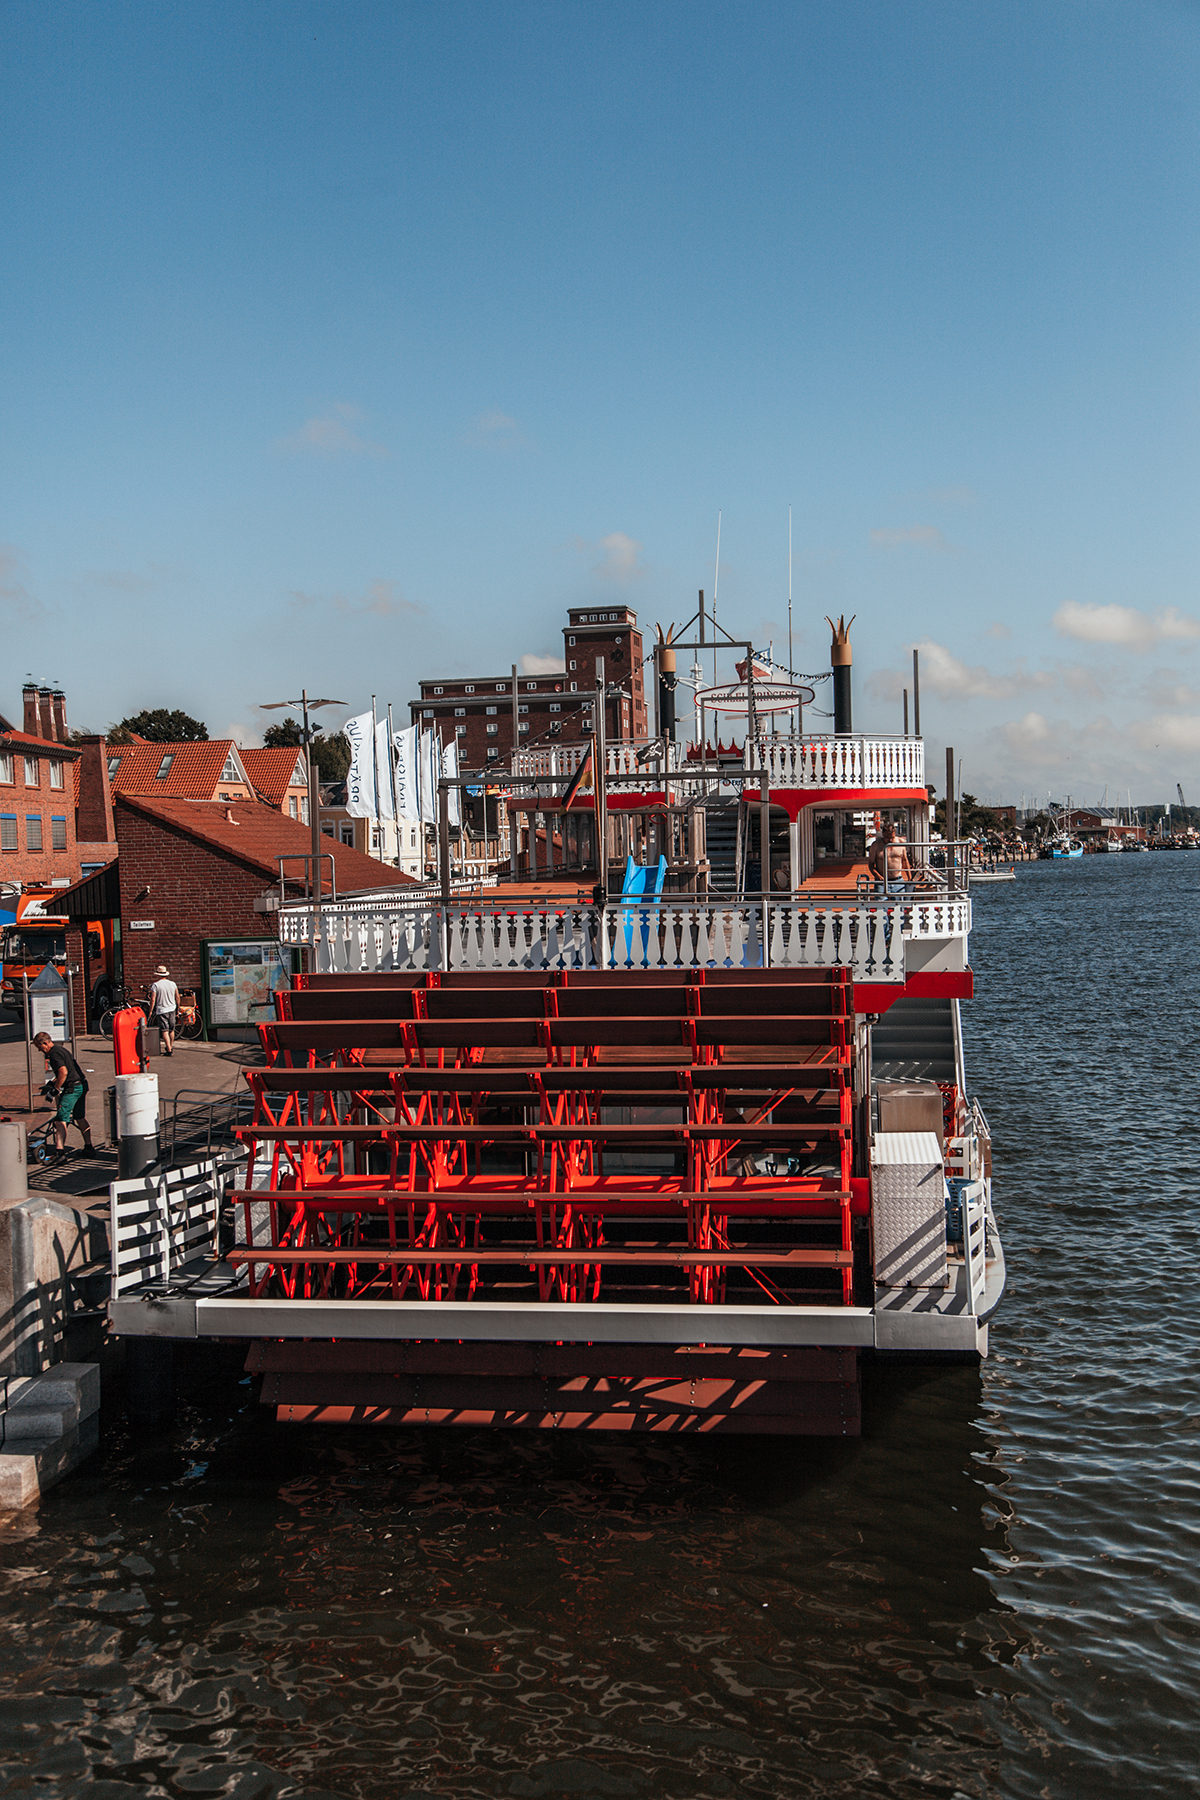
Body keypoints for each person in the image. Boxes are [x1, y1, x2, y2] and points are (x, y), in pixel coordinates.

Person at [32, 1031, 94, 1160]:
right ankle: (89, 1147)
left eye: (39, 1047)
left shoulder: (54, 1054)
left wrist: (55, 1089)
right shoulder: (60, 1050)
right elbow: (68, 1070)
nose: (39, 1050)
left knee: (60, 1119)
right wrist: (51, 1083)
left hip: (72, 1088)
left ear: (45, 1043)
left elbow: (63, 1072)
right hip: (81, 1084)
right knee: (80, 1117)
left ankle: (59, 1153)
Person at [148, 964, 180, 1056]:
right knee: (171, 1029)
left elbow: (153, 999)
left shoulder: (155, 985)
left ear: (158, 975)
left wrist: (150, 1011)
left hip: (162, 1010)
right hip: (172, 1009)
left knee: (164, 1030)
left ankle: (169, 1050)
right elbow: (177, 997)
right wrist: (178, 1007)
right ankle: (170, 1046)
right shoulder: (173, 984)